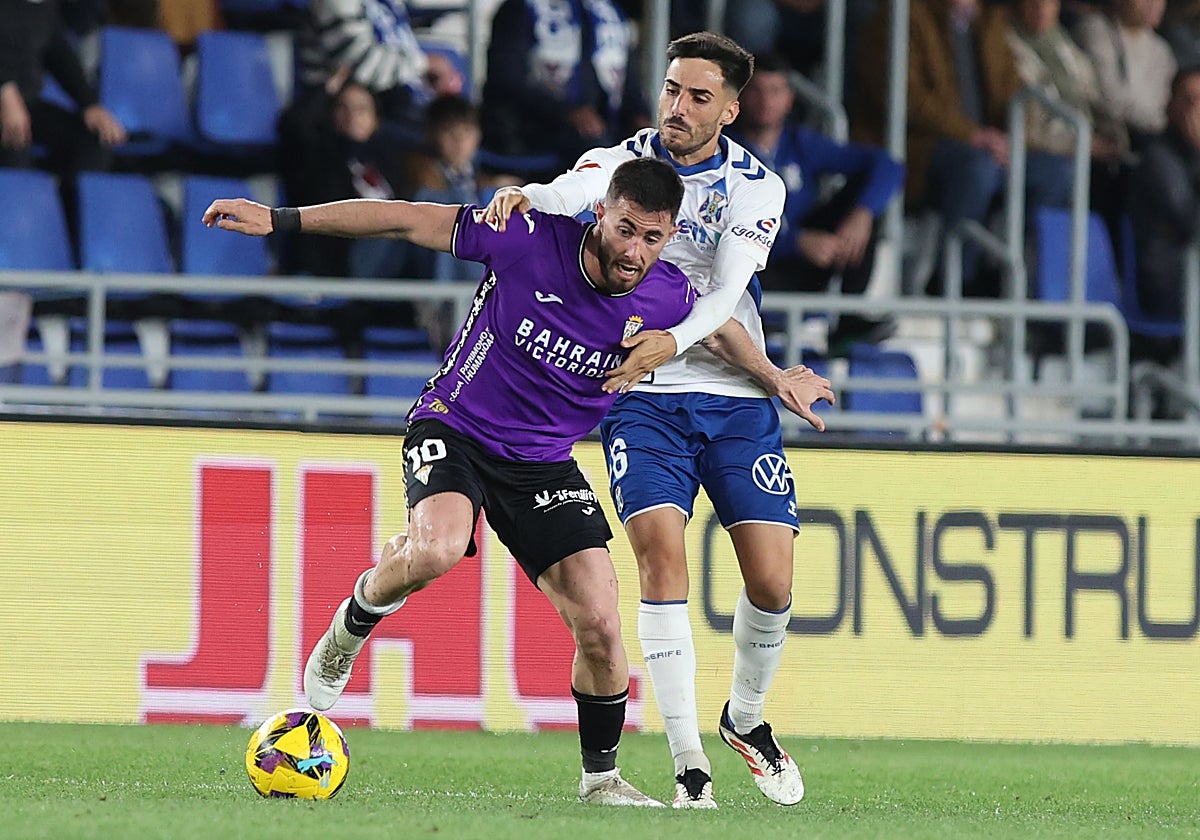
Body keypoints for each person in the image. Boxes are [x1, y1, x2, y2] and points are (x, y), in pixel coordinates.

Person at [204, 157, 801, 807]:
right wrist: (282, 219)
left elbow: (721, 334)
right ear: (599, 211)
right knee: (436, 548)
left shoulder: (667, 298)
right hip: (455, 426)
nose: (635, 252)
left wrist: (777, 377)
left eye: (653, 239)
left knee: (601, 625)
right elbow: (404, 221)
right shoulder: (525, 238)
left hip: (542, 463)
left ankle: (600, 779)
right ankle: (356, 617)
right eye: (626, 229)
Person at [483, 31, 814, 809]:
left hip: (732, 393)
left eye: (699, 96)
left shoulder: (756, 188)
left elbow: (726, 294)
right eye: (671, 89)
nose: (678, 106)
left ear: (731, 109)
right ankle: (689, 763)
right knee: (661, 560)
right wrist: (530, 198)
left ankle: (746, 719)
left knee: (771, 582)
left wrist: (695, 345)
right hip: (643, 390)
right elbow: (575, 190)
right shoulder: (624, 160)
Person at [728, 52, 904, 353]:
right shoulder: (724, 149)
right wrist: (796, 241)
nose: (766, 101)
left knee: (862, 201)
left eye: (775, 91)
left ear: (790, 99)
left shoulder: (799, 143)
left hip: (805, 267)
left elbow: (888, 165)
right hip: (751, 269)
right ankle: (754, 324)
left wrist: (861, 213)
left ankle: (847, 322)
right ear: (740, 98)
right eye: (756, 91)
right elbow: (722, 222)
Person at [481, 0, 650, 172]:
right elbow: (506, 79)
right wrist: (568, 112)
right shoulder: (522, 8)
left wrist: (640, 115)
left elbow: (630, 79)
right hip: (534, 128)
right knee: (596, 150)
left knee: (650, 149)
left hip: (604, 127)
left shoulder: (609, 11)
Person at [0, 0, 127, 176]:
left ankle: (68, 202)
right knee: (15, 142)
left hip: (26, 104)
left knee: (93, 141)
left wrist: (90, 104)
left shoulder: (44, 7)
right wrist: (5, 90)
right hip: (6, 103)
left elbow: (58, 53)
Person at [1129, 67, 1200, 322]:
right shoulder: (1158, 158)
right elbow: (1193, 224)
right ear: (1171, 106)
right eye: (1188, 100)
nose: (1195, 110)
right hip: (1168, 279)